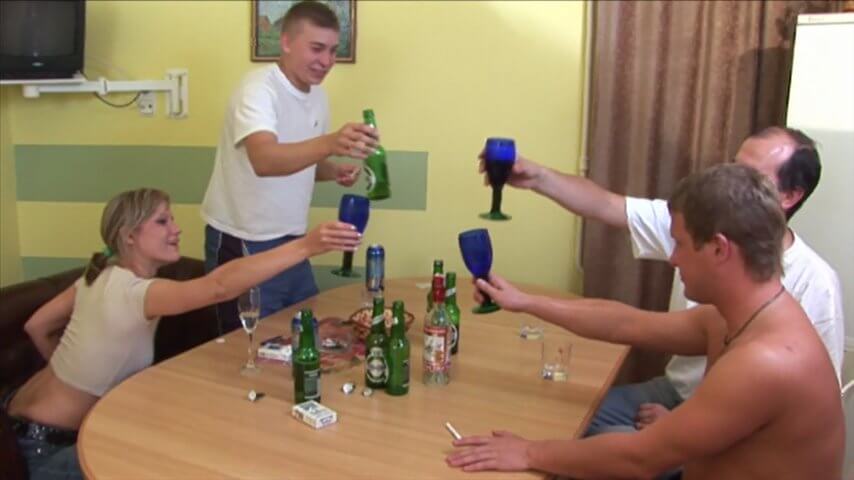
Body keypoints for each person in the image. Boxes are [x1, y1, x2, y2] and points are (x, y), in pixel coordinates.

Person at [447, 164, 844, 479]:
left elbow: (639, 460)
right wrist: (525, 301)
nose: (673, 258)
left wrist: (528, 452)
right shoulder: (737, 317)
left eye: (680, 244)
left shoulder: (766, 360)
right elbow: (627, 325)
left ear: (719, 249)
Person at [3, 188, 361, 480]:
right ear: (129, 236)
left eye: (172, 219)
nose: (175, 229)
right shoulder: (134, 292)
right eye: (162, 221)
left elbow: (37, 326)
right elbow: (219, 287)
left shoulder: (96, 276)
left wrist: (73, 375)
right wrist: (306, 246)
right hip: (47, 451)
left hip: (17, 420)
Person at [201, 1, 378, 330]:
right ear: (286, 42)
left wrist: (332, 170)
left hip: (294, 241)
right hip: (245, 239)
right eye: (316, 48)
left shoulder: (317, 96)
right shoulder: (258, 90)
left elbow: (300, 158)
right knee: (248, 342)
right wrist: (330, 142)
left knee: (303, 335)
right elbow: (265, 160)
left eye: (332, 50)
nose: (326, 61)